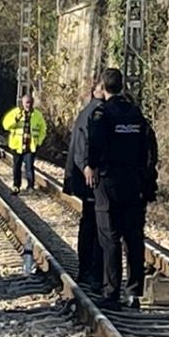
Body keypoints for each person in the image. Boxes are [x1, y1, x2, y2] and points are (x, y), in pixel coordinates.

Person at [84, 66, 157, 308]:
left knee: (110, 236)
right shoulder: (136, 114)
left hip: (109, 180)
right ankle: (134, 291)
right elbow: (149, 147)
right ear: (122, 86)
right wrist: (146, 176)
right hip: (134, 181)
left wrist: (90, 166)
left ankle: (111, 292)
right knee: (134, 237)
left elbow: (94, 143)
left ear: (103, 88)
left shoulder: (102, 114)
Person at [63, 77, 103, 284]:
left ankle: (85, 269)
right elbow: (85, 144)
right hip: (91, 178)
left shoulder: (85, 112)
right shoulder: (96, 113)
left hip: (82, 177)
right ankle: (93, 271)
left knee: (88, 223)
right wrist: (88, 165)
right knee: (96, 225)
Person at [1, 93, 48, 189]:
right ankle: (16, 185)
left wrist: (39, 141)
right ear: (22, 103)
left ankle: (30, 186)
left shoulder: (37, 115)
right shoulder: (15, 113)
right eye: (27, 103)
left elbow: (43, 129)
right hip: (17, 145)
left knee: (29, 167)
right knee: (16, 167)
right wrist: (15, 120)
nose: (28, 105)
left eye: (30, 103)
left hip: (30, 145)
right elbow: (6, 125)